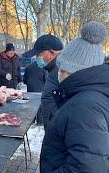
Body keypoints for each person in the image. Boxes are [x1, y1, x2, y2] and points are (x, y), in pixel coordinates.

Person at [40, 21, 109, 172]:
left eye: (62, 69)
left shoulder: (85, 107)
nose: (59, 73)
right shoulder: (87, 96)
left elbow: (89, 168)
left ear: (75, 72)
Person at [25, 34, 63, 128]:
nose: (38, 58)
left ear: (51, 53)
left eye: (39, 54)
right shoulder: (51, 70)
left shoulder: (61, 72)